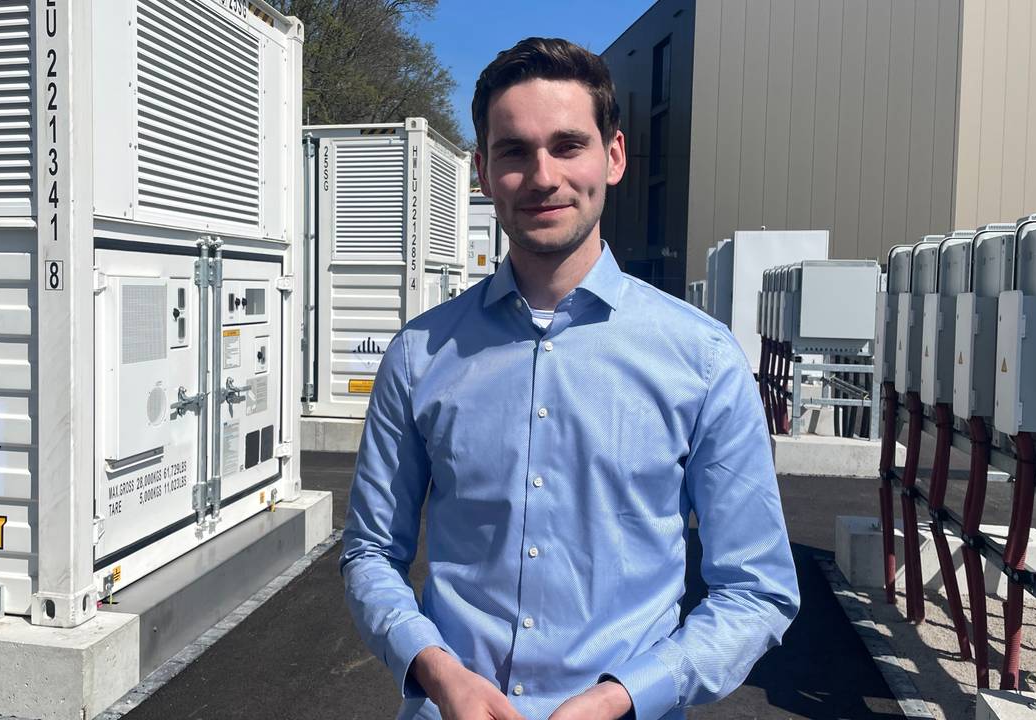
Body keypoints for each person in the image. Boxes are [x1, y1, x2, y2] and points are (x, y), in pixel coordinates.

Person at [340, 37, 800, 720]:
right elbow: (372, 552)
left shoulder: (701, 358)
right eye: (515, 151)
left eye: (567, 145)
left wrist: (626, 695)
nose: (544, 175)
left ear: (613, 157)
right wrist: (437, 673)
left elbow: (756, 589)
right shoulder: (420, 355)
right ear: (482, 170)